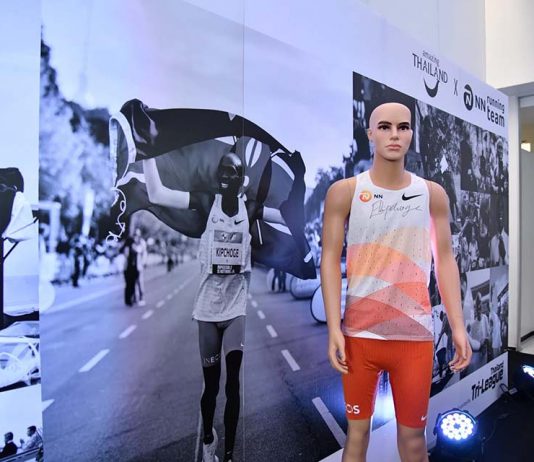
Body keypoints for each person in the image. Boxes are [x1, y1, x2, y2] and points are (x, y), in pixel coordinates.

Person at [321, 102, 471, 462]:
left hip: (414, 338)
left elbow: (445, 260)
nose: (394, 135)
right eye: (385, 127)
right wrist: (333, 327)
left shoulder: (432, 193)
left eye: (403, 127)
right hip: (359, 337)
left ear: (411, 134)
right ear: (370, 134)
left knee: (415, 441)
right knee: (357, 438)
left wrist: (458, 327)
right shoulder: (345, 191)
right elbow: (329, 259)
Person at [144, 152, 285, 462]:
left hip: (235, 308)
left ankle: (230, 455)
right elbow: (157, 194)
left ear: (241, 179)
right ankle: (209, 438)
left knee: (233, 385)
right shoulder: (208, 203)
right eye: (222, 170)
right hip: (207, 309)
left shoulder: (251, 209)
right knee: (211, 387)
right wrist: (147, 155)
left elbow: (289, 217)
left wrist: (303, 194)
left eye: (232, 171)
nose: (225, 176)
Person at [133, 228, 148, 306]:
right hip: (132, 266)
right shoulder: (132, 242)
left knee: (139, 282)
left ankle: (141, 297)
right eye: (135, 234)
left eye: (137, 234)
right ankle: (134, 298)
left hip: (139, 265)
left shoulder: (142, 242)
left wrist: (143, 263)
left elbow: (143, 252)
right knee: (133, 282)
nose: (136, 235)